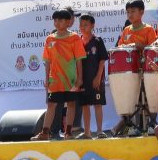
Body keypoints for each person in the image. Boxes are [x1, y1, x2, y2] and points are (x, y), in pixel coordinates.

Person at [33, 8, 86, 141]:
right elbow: (47, 61)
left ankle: (68, 133)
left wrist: (79, 78)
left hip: (70, 79)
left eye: (60, 20)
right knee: (51, 105)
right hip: (55, 80)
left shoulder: (74, 38)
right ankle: (45, 132)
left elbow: (79, 59)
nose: (57, 23)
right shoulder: (49, 39)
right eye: (55, 20)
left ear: (68, 22)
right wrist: (46, 79)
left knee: (71, 104)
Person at [113, 0, 157, 136]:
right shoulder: (126, 30)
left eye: (133, 11)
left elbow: (153, 49)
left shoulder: (148, 29)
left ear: (141, 12)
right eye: (128, 12)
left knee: (149, 97)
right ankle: (136, 126)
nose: (130, 14)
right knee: (134, 99)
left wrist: (140, 46)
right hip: (130, 71)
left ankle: (152, 124)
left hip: (146, 69)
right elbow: (120, 47)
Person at [77, 13, 109, 139]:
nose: (83, 27)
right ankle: (87, 132)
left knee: (97, 104)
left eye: (86, 24)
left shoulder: (97, 40)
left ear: (92, 26)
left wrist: (98, 77)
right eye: (81, 24)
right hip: (82, 80)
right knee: (85, 105)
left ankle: (100, 131)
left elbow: (102, 60)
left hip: (95, 79)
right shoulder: (77, 41)